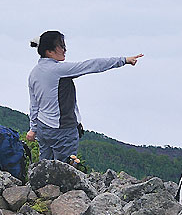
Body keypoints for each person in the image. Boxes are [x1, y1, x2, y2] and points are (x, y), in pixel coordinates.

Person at [27, 31, 143, 163]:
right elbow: (91, 65)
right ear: (49, 52)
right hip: (63, 130)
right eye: (61, 46)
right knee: (65, 170)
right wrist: (124, 60)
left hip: (43, 128)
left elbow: (34, 104)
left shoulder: (34, 73)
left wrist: (33, 128)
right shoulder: (58, 70)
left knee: (44, 166)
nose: (65, 49)